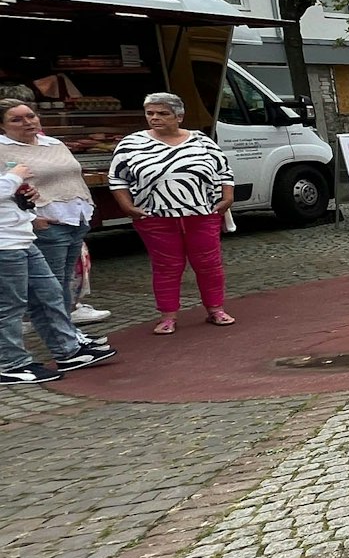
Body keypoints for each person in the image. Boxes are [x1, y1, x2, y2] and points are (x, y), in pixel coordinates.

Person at [109, 92, 237, 334]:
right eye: (150, 113)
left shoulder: (202, 141)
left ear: (179, 116)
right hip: (154, 215)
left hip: (202, 212)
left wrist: (227, 197)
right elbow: (117, 178)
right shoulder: (131, 144)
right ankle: (167, 316)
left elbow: (224, 171)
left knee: (209, 264)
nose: (155, 118)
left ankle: (216, 309)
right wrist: (127, 206)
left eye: (163, 113)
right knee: (166, 266)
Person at [1, 161, 116, 384]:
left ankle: (67, 350)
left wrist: (23, 200)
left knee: (49, 293)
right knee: (10, 305)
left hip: (21, 238)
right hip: (4, 245)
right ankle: (10, 363)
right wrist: (14, 178)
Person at [3, 99, 115, 326]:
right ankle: (61, 336)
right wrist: (33, 219)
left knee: (65, 280)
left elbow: (73, 174)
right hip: (46, 222)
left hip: (76, 219)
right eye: (16, 119)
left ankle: (67, 329)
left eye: (30, 116)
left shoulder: (52, 143)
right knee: (49, 285)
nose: (27, 122)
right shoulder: (3, 149)